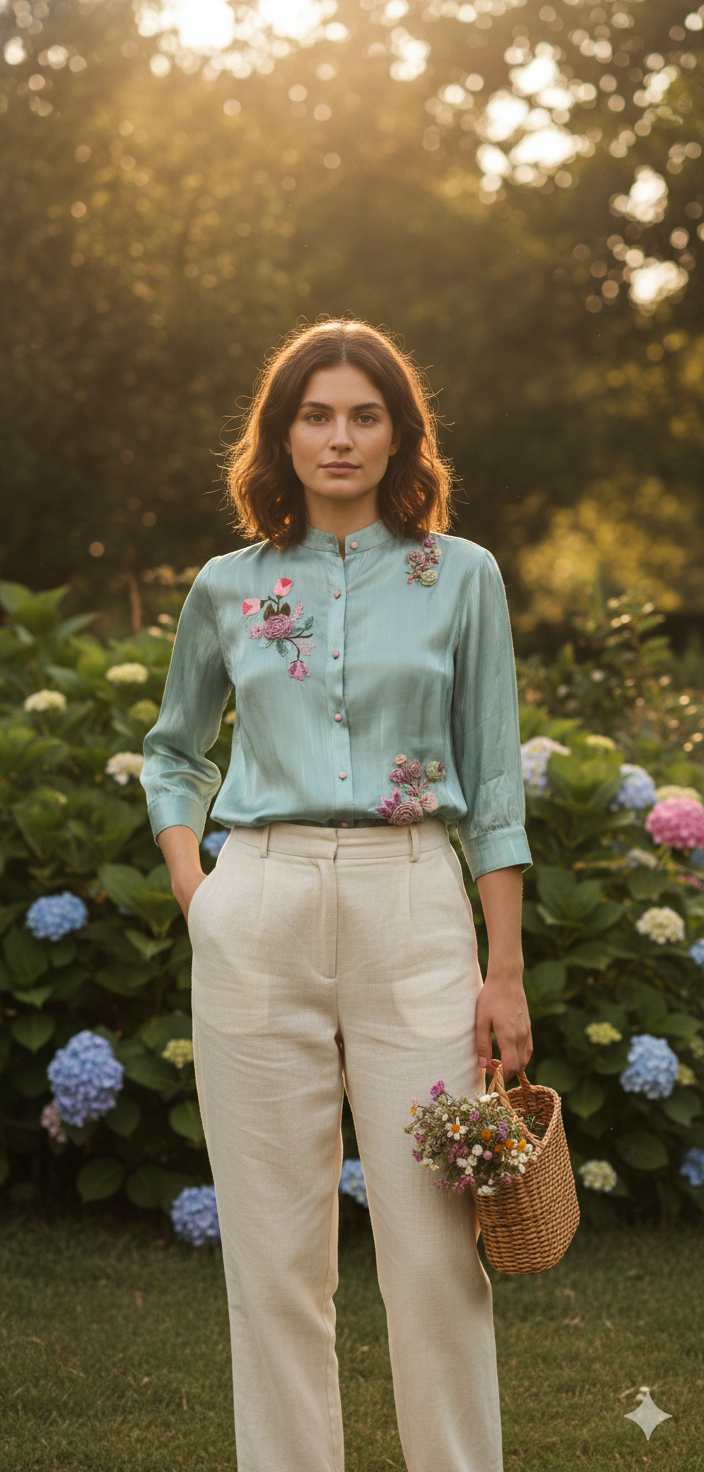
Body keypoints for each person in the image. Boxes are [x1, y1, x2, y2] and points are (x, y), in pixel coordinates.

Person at [140, 318, 533, 1472]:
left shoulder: (460, 576)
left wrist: (500, 966)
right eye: (315, 413)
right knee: (271, 1258)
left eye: (365, 413)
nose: (340, 436)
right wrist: (194, 886)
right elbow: (174, 750)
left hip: (411, 908)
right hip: (254, 910)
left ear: (400, 432)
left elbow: (496, 778)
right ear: (282, 432)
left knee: (433, 1254)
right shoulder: (226, 587)